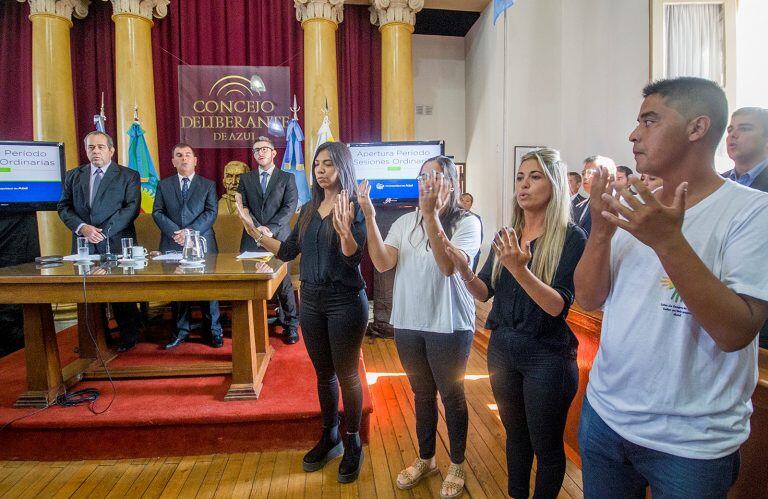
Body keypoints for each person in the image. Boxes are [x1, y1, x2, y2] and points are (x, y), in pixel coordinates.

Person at [575, 77, 768, 498]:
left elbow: (737, 331)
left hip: (689, 443)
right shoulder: (636, 201)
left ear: (697, 128)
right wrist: (602, 233)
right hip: (605, 417)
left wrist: (667, 240)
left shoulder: (752, 211)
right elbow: (588, 299)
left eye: (649, 120)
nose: (633, 134)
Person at [445, 148, 586, 498]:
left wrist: (520, 269)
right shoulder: (508, 235)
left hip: (548, 356)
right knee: (516, 437)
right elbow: (483, 292)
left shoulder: (571, 238)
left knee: (546, 445)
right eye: (520, 178)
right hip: (503, 349)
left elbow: (557, 306)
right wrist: (463, 269)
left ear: (554, 184)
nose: (524, 185)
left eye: (535, 177)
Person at [237, 142, 368, 483]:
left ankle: (353, 443)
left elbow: (354, 259)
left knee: (348, 374)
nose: (321, 170)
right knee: (324, 374)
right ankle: (331, 435)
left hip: (345, 302)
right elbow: (288, 249)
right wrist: (253, 230)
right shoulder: (309, 209)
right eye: (317, 165)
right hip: (311, 302)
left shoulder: (355, 206)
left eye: (328, 164)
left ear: (343, 166)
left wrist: (344, 234)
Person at [359, 156, 481, 499]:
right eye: (422, 175)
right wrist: (369, 217)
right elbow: (383, 263)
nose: (427, 181)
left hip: (450, 324)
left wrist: (430, 216)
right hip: (409, 322)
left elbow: (446, 267)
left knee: (452, 396)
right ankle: (426, 458)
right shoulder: (402, 221)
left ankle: (456, 463)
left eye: (435, 175)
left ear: (451, 183)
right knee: (422, 394)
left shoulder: (467, 223)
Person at [57, 131, 141, 352]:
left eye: (100, 147)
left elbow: (131, 208)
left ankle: (129, 336)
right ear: (86, 150)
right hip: (84, 243)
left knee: (121, 292)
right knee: (87, 294)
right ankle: (94, 339)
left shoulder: (128, 175)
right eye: (91, 147)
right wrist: (83, 228)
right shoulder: (73, 175)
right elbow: (64, 207)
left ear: (111, 150)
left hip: (116, 240)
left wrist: (103, 231)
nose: (95, 151)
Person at [153, 143, 222, 349]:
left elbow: (211, 212)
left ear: (195, 160)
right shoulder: (163, 185)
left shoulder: (208, 184)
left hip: (202, 242)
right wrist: (176, 233)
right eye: (179, 155)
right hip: (172, 240)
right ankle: (181, 331)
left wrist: (189, 234)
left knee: (209, 288)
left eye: (188, 155)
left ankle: (213, 331)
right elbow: (157, 212)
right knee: (178, 289)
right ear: (173, 161)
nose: (184, 158)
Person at [237, 136, 299, 344]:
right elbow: (242, 207)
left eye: (265, 149)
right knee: (251, 282)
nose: (260, 153)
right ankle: (254, 325)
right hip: (251, 237)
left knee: (283, 283)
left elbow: (289, 207)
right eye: (256, 150)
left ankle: (290, 325)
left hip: (279, 238)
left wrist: (270, 229)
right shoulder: (246, 179)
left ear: (274, 153)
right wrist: (256, 228)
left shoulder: (287, 178)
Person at [724, 106, 768, 348]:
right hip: (721, 299)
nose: (733, 135)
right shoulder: (717, 183)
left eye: (745, 128)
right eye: (730, 129)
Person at [572, 155, 616, 236]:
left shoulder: (616, 205)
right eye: (584, 173)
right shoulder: (579, 206)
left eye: (590, 172)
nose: (585, 177)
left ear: (608, 175)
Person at [459, 192, 484, 272]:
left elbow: (480, 237)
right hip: (457, 251)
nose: (464, 203)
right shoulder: (453, 218)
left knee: (470, 277)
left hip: (473, 251)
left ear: (471, 204)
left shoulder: (476, 218)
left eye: (467, 201)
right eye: (462, 200)